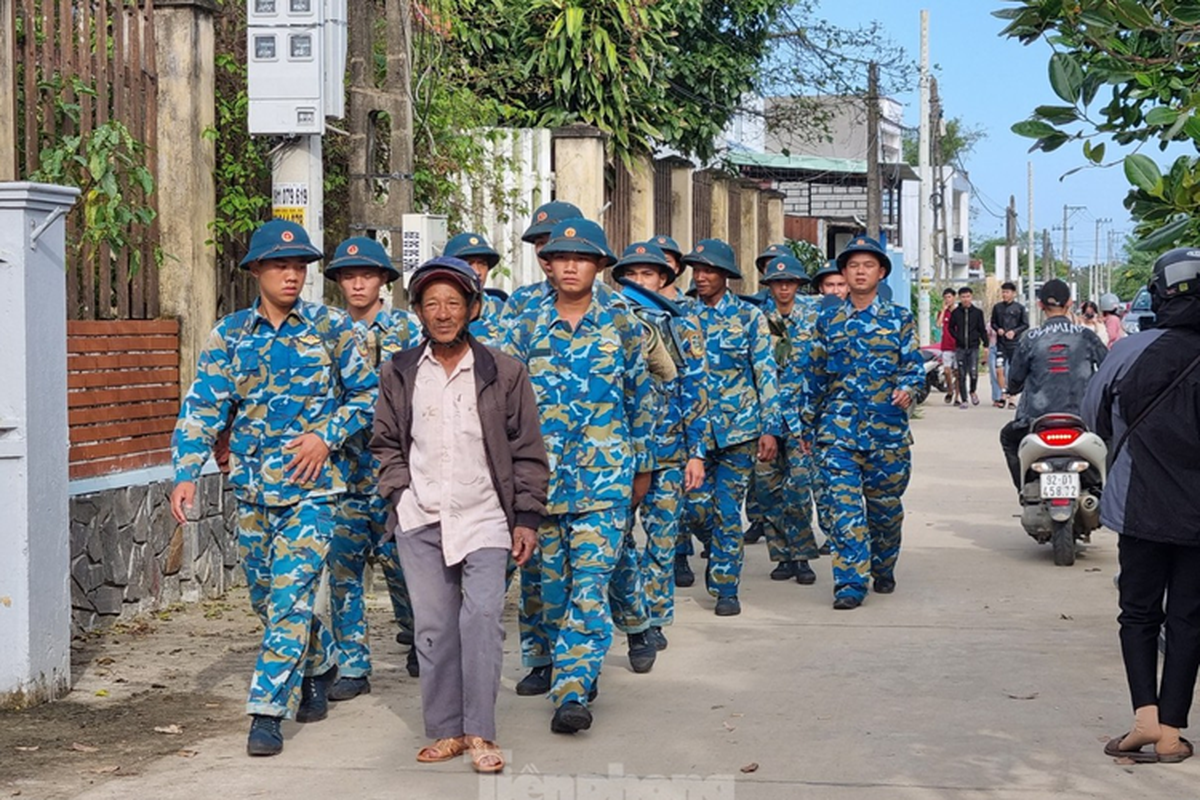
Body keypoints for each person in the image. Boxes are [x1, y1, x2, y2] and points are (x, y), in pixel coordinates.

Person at [170, 219, 377, 757]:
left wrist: (325, 437)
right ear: (256, 270)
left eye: (300, 266)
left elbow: (368, 398)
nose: (292, 275)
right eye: (281, 265)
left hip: (314, 492)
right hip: (255, 490)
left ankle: (266, 712)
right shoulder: (231, 334)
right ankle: (322, 657)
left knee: (289, 599)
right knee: (267, 600)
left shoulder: (332, 329)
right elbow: (204, 407)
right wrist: (186, 472)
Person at [371, 256, 547, 774]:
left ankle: (480, 732)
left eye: (453, 303)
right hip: (421, 516)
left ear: (473, 308)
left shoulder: (504, 371)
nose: (443, 313)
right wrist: (400, 496)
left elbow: (528, 450)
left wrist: (526, 518)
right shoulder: (400, 371)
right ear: (419, 312)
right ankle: (446, 729)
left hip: (486, 517)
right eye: (431, 304)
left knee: (482, 619)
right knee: (433, 626)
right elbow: (384, 443)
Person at [503, 218, 653, 734]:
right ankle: (569, 668)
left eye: (581, 258)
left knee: (590, 589)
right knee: (551, 591)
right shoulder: (523, 326)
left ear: (598, 266)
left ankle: (572, 689)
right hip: (541, 485)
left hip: (606, 480)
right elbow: (504, 407)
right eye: (560, 257)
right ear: (547, 265)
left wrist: (645, 465)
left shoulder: (623, 324)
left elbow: (641, 398)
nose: (570, 265)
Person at [1082, 247, 1200, 764]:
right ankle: (1172, 732)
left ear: (1158, 294)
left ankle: (1143, 721)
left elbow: (1093, 419)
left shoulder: (1130, 350)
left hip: (1140, 507)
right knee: (1189, 620)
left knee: (1138, 614)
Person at [322, 236, 420, 700]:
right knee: (344, 572)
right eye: (348, 275)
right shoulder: (325, 330)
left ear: (384, 280)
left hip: (397, 473)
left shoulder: (407, 329)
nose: (357, 283)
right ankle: (354, 665)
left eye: (367, 274)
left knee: (406, 567)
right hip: (343, 474)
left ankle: (422, 638)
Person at [609, 241, 709, 661]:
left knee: (662, 539)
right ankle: (632, 614)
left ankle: (656, 618)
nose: (639, 282)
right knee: (618, 542)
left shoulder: (682, 325)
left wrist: (696, 451)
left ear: (664, 279)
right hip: (622, 451)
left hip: (669, 448)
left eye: (647, 275)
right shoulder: (611, 322)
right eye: (630, 275)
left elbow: (695, 388)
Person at [812, 236, 924, 610]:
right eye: (853, 266)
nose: (860, 271)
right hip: (838, 434)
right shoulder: (827, 321)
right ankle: (849, 583)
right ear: (843, 273)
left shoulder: (899, 319)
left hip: (886, 435)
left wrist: (908, 389)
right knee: (843, 511)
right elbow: (812, 376)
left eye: (868, 265)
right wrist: (802, 427)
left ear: (881, 272)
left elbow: (914, 369)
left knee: (885, 512)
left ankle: (883, 564)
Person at [677, 238, 780, 617]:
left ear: (725, 275)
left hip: (739, 431)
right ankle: (715, 558)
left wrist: (771, 428)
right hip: (694, 434)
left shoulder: (749, 317)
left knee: (726, 510)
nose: (700, 277)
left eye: (708, 270)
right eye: (696, 270)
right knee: (695, 508)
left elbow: (765, 372)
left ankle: (725, 586)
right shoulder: (683, 316)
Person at [753, 255, 823, 585]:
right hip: (763, 420)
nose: (783, 287)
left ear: (797, 284)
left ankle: (802, 555)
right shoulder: (754, 317)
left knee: (798, 490)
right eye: (777, 282)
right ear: (768, 285)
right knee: (768, 490)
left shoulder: (814, 315)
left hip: (801, 421)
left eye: (790, 282)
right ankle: (781, 554)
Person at [998, 279, 1107, 491]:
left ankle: (1024, 489)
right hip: (1083, 418)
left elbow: (1015, 380)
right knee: (1112, 437)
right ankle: (1106, 490)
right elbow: (1107, 370)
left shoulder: (1029, 338)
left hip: (1036, 420)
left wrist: (1011, 390)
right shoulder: (1086, 336)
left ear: (1040, 305)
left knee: (1008, 438)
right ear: (1070, 303)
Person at [444, 232, 506, 347]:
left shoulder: (503, 311)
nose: (477, 271)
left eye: (482, 264)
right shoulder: (437, 312)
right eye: (469, 264)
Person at [991, 281, 1029, 409]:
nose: (1004, 294)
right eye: (1003, 292)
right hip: (1001, 344)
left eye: (1007, 292)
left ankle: (1012, 398)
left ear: (1013, 293)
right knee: (999, 369)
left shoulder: (1019, 308)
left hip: (1015, 345)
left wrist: (1014, 332)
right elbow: (993, 323)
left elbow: (1025, 324)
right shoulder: (997, 307)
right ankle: (1003, 394)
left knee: (1013, 372)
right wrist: (998, 329)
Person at [948, 286, 988, 408]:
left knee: (973, 372)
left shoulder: (977, 313)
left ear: (971, 297)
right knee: (961, 374)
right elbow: (950, 327)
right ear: (960, 298)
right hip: (960, 347)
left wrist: (986, 344)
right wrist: (957, 337)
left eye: (968, 296)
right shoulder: (955, 313)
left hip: (974, 346)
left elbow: (982, 329)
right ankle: (964, 399)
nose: (966, 299)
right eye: (963, 297)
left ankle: (972, 391)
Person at [936, 287, 959, 404]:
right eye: (945, 298)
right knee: (947, 370)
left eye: (949, 297)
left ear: (954, 298)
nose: (947, 300)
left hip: (958, 345)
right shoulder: (943, 312)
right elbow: (939, 324)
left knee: (958, 372)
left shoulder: (959, 312)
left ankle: (957, 397)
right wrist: (944, 310)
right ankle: (950, 390)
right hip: (946, 345)